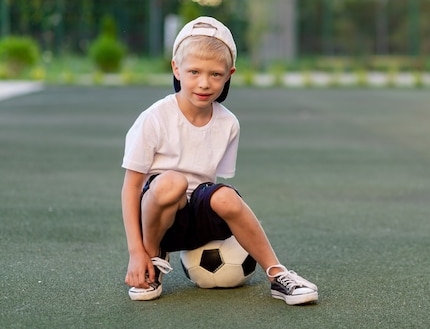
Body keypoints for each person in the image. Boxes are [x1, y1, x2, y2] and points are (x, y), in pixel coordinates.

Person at [120, 16, 318, 305]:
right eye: (194, 72)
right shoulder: (154, 118)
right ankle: (151, 259)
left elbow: (210, 186)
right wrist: (135, 252)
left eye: (215, 74)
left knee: (224, 195)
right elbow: (130, 189)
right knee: (172, 182)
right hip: (158, 215)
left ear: (229, 74)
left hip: (197, 219)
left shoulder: (228, 124)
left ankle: (278, 275)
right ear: (176, 68)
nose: (204, 83)